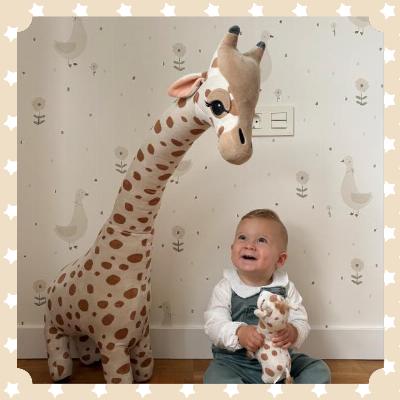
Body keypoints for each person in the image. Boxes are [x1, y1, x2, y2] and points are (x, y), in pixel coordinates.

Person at [203, 209, 331, 384]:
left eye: (261, 240)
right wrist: (239, 332)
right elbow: (213, 324)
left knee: (318, 369)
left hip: (280, 362)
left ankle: (289, 386)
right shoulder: (226, 287)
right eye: (242, 237)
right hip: (235, 363)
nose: (249, 245)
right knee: (215, 378)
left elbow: (301, 320)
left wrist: (293, 332)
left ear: (280, 259)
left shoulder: (286, 288)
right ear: (232, 249)